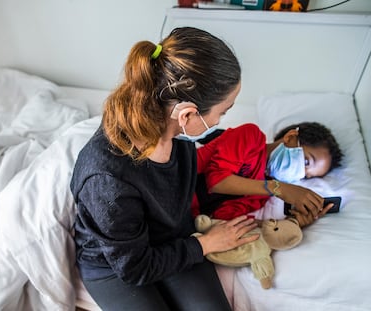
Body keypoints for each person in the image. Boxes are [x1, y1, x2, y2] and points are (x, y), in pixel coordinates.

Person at [70, 27, 261, 311]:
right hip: (117, 265)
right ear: (186, 114)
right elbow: (135, 268)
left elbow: (179, 196)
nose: (221, 121)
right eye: (222, 112)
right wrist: (206, 245)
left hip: (170, 240)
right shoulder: (107, 182)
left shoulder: (177, 140)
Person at [193, 121, 343, 227]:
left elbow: (222, 219)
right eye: (306, 162)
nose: (299, 174)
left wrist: (290, 223)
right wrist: (279, 188)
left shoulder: (261, 197)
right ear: (291, 137)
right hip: (177, 182)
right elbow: (217, 182)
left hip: (183, 219)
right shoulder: (251, 136)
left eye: (306, 176)